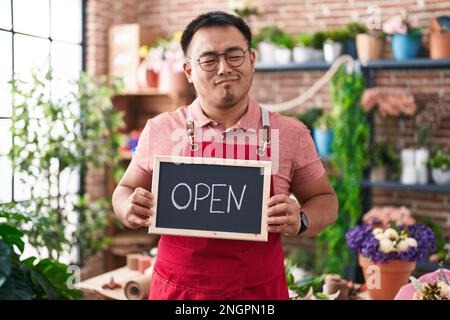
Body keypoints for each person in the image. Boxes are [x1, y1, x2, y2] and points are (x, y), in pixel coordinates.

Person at [112, 11, 338, 300]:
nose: (223, 68)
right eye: (209, 59)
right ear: (189, 71)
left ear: (252, 60)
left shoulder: (291, 133)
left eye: (234, 55)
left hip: (258, 293)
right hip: (178, 291)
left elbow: (326, 200)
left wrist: (302, 219)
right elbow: (124, 190)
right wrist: (127, 208)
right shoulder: (160, 129)